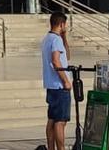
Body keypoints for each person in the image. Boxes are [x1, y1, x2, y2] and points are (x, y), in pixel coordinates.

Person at [41, 12, 71, 150]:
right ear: (61, 24)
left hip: (51, 85)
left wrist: (64, 37)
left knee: (52, 119)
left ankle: (51, 147)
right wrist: (65, 80)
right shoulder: (56, 40)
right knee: (60, 121)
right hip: (59, 86)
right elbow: (56, 60)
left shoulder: (48, 38)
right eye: (65, 25)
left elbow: (67, 56)